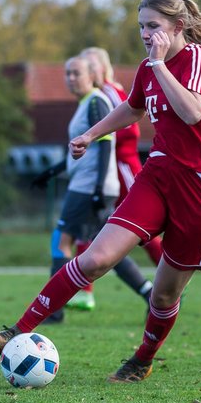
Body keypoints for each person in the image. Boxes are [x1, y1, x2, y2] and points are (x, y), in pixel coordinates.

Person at [0, 0, 201, 383]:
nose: (145, 34)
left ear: (178, 26)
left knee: (164, 296)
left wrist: (158, 65)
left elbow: (193, 112)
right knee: (95, 259)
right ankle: (17, 331)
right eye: (141, 26)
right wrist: (91, 134)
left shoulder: (197, 59)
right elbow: (133, 108)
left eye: (153, 26)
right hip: (158, 176)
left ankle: (142, 359)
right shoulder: (147, 68)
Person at [29, 55, 153, 318]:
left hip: (88, 189)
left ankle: (53, 311)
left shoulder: (96, 101)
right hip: (91, 186)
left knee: (60, 241)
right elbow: (81, 151)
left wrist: (98, 188)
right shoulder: (86, 103)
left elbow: (107, 143)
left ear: (91, 76)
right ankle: (149, 293)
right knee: (106, 250)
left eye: (76, 73)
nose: (71, 78)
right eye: (68, 73)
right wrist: (51, 172)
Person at [64, 46, 164, 310]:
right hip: (108, 168)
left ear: (100, 67)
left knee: (141, 225)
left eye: (90, 65)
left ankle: (168, 280)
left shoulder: (106, 93)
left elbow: (128, 127)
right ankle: (85, 290)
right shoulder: (99, 94)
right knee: (102, 233)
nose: (84, 72)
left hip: (121, 166)